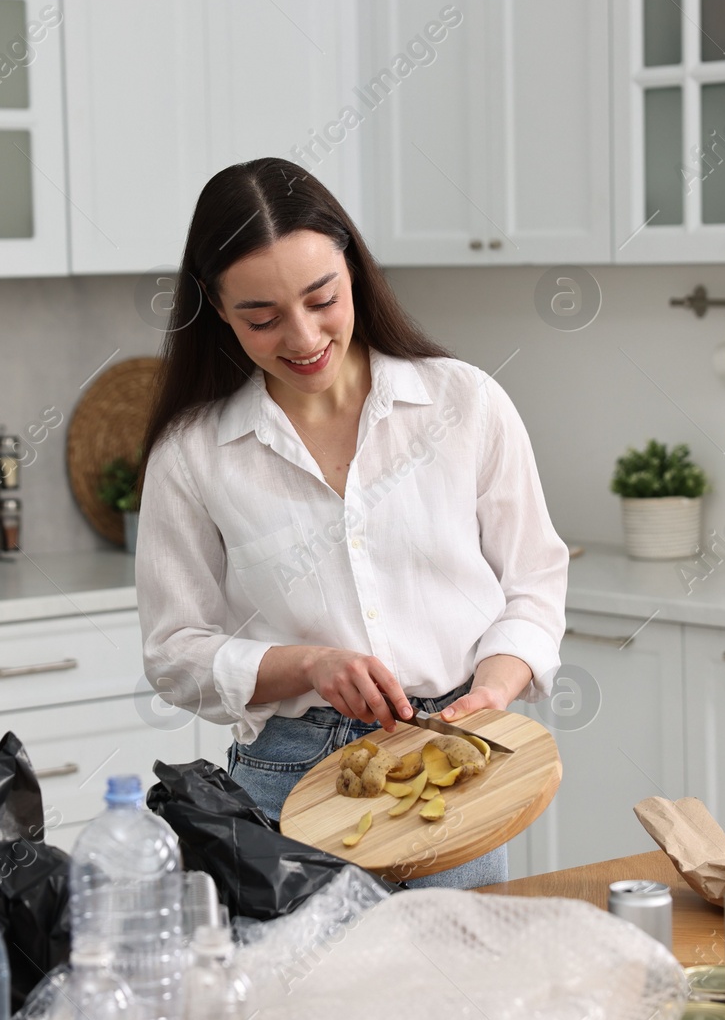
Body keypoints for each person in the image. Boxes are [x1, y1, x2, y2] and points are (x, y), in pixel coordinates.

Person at [135, 157, 568, 888]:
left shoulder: (466, 403)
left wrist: (492, 692)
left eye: (321, 298)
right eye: (261, 317)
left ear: (354, 271)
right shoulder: (192, 454)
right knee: (311, 1002)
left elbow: (534, 583)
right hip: (288, 784)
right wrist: (308, 665)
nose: (302, 337)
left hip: (458, 762)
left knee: (462, 995)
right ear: (216, 307)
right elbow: (175, 652)